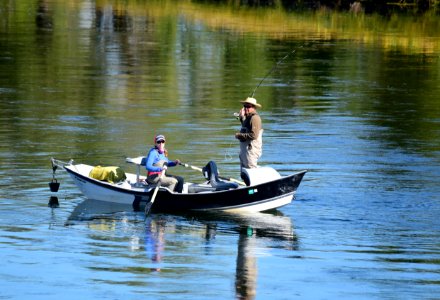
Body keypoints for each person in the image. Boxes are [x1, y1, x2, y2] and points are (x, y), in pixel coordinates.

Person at [235, 97, 263, 170]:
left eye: (248, 107)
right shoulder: (248, 118)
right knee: (244, 171)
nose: (246, 108)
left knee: (251, 169)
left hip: (251, 151)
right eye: (245, 106)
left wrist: (239, 135)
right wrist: (242, 117)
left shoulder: (255, 118)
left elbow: (254, 135)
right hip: (245, 150)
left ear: (254, 108)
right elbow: (246, 127)